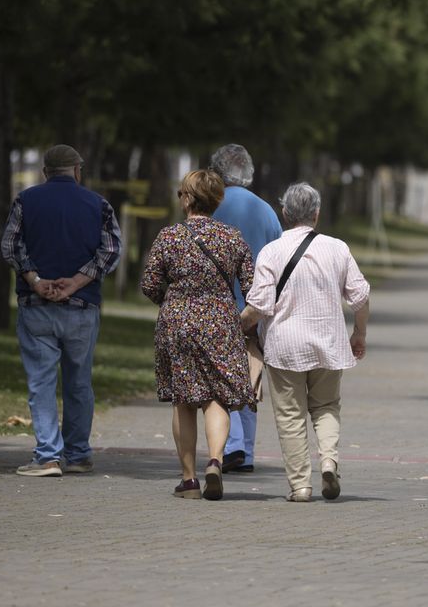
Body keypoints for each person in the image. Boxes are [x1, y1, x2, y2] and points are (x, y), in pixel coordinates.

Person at [241, 183, 370, 503]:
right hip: (328, 343)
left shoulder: (271, 252)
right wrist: (359, 333)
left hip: (284, 347)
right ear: (317, 213)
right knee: (326, 406)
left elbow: (258, 306)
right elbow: (361, 296)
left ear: (284, 213)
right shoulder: (337, 248)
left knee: (290, 414)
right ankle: (328, 460)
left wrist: (237, 325)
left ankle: (300, 486)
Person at [1, 144, 122, 478]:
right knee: (79, 382)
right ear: (77, 171)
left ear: (46, 172)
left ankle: (47, 457)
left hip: (36, 304)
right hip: (82, 307)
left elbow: (10, 245)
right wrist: (77, 281)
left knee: (41, 382)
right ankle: (79, 454)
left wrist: (35, 279)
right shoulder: (99, 205)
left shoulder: (25, 200)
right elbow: (111, 250)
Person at [140, 169, 257, 501]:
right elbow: (252, 288)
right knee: (215, 398)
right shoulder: (233, 237)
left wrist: (172, 302)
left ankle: (189, 480)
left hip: (178, 321)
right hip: (220, 321)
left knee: (184, 400)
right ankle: (216, 461)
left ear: (188, 198)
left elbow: (149, 284)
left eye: (180, 193)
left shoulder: (169, 236)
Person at [209, 143, 283, 474]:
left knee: (219, 376)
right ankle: (246, 453)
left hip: (216, 305)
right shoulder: (266, 211)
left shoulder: (210, 207)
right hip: (256, 308)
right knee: (251, 376)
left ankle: (232, 444)